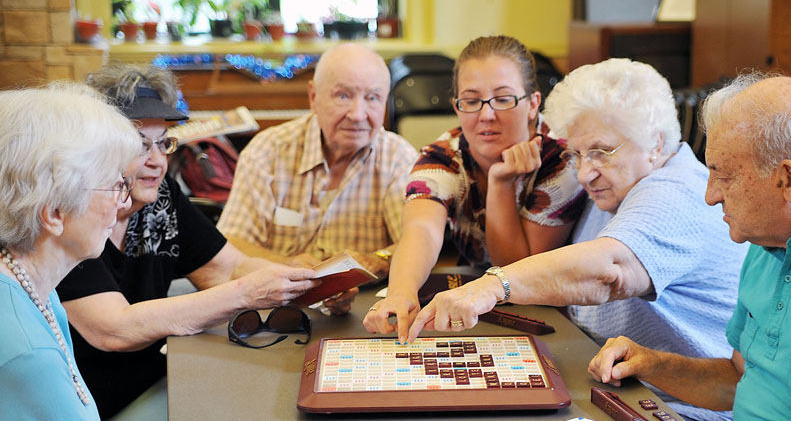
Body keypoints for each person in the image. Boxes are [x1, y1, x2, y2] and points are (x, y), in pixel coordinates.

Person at [395, 58, 747, 420]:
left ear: (655, 144)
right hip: (612, 384)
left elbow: (609, 270)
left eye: (601, 153)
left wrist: (491, 286)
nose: (584, 174)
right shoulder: (619, 184)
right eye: (577, 154)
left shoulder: (674, 192)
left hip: (677, 408)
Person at [587, 74, 791, 419]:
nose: (711, 195)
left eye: (724, 177)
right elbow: (739, 379)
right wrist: (649, 363)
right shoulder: (773, 233)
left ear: (788, 181)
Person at [56, 63, 323, 419]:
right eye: (139, 145)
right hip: (89, 405)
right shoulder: (71, 216)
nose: (157, 162)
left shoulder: (161, 197)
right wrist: (246, 293)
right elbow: (114, 329)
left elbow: (228, 268)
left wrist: (310, 282)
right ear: (98, 147)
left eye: (163, 143)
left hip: (160, 382)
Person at [363, 36, 586, 341]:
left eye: (503, 99)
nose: (486, 115)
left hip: (554, 315)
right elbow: (421, 228)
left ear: (533, 104)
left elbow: (518, 274)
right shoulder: (442, 156)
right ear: (456, 106)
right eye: (471, 101)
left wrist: (500, 184)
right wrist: (401, 293)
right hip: (478, 304)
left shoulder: (562, 158)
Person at [217, 43, 419, 276]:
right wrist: (284, 264)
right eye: (343, 96)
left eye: (372, 98)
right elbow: (231, 243)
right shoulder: (268, 151)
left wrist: (377, 259)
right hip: (276, 292)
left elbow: (417, 241)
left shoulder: (398, 158)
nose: (357, 114)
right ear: (313, 97)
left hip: (366, 297)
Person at [0, 82, 139, 420]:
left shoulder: (36, 290)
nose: (124, 203)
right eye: (115, 186)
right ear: (54, 212)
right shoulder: (28, 355)